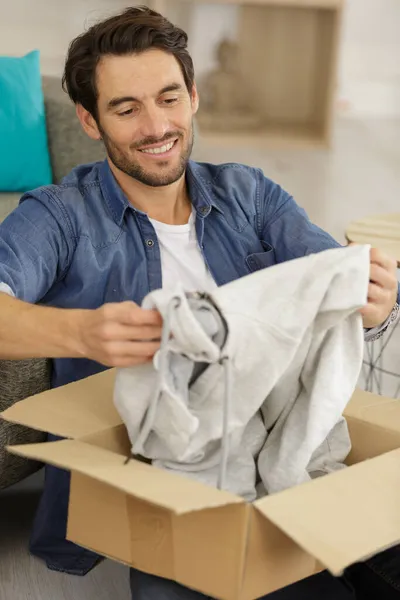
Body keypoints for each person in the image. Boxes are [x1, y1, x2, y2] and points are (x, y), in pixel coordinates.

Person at [0, 6, 399, 600]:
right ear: (89, 120)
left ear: (192, 96)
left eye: (168, 98)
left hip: (287, 454)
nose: (156, 126)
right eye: (126, 108)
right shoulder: (60, 216)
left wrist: (371, 302)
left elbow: (332, 279)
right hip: (156, 482)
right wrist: (82, 335)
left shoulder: (252, 195)